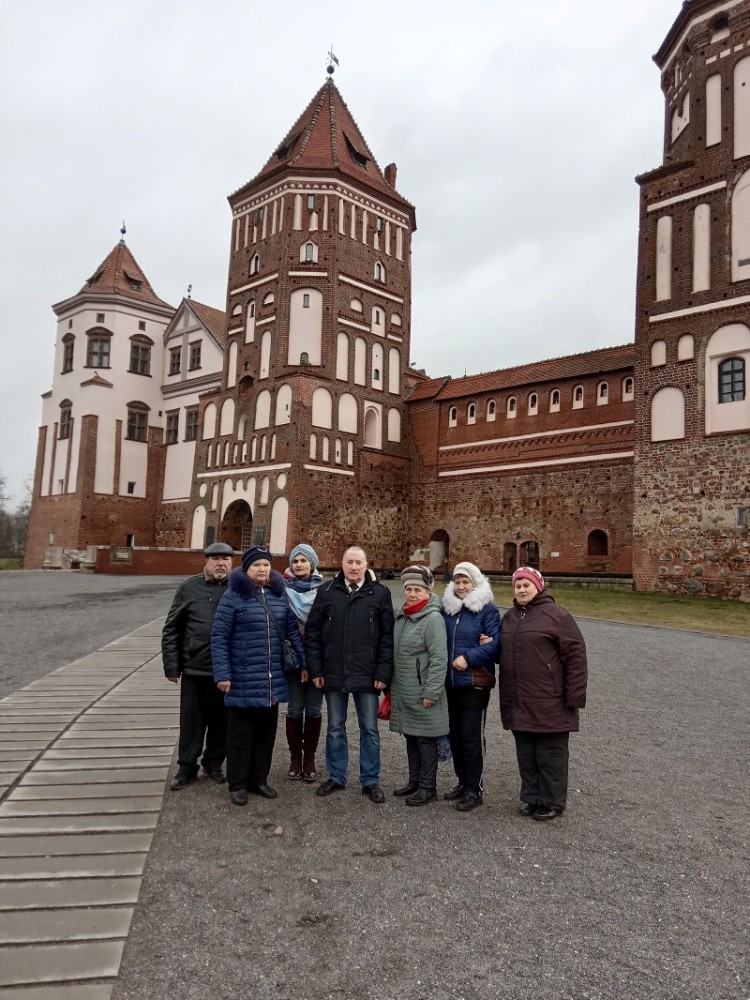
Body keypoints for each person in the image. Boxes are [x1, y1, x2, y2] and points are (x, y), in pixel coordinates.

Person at [210, 546, 306, 806]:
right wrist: (222, 673)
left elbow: (291, 633)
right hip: (242, 678)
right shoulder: (233, 597)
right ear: (246, 569)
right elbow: (219, 637)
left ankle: (258, 779)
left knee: (265, 734)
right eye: (256, 565)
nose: (262, 569)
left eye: (266, 565)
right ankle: (238, 783)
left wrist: (304, 663)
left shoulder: (278, 595)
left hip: (271, 679)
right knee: (240, 734)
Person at [306, 545, 395, 804]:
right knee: (335, 727)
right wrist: (317, 669)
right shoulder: (326, 592)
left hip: (367, 673)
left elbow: (387, 637)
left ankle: (370, 780)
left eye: (358, 562)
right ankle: (336, 775)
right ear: (341, 564)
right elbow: (313, 633)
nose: (354, 567)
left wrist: (383, 672)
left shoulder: (379, 594)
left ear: (366, 565)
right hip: (333, 671)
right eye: (349, 562)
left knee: (369, 728)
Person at [498, 566, 588, 821]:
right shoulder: (510, 618)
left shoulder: (557, 616)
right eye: (517, 585)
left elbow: (576, 656)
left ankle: (551, 800)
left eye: (526, 584)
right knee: (526, 752)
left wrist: (574, 696)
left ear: (539, 586)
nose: (522, 589)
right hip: (519, 697)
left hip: (550, 699)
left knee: (551, 753)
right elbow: (504, 653)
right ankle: (530, 796)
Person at [162, 541, 233, 791]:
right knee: (192, 721)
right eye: (216, 559)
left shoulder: (236, 589)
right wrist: (172, 665)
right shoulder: (189, 588)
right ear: (207, 561)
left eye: (226, 559)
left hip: (225, 670)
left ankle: (213, 763)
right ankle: (186, 767)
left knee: (221, 721)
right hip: (195, 667)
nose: (221, 563)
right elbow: (172, 627)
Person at [441, 561, 501, 812]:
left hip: (475, 682)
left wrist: (469, 657)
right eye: (458, 580)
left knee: (471, 736)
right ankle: (462, 781)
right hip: (451, 682)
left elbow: (496, 643)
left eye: (466, 581)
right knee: (454, 735)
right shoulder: (448, 610)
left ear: (475, 583)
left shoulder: (487, 610)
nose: (462, 585)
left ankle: (475, 788)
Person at [390, 566, 449, 806]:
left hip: (423, 689)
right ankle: (414, 781)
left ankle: (428, 786)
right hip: (405, 689)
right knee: (411, 737)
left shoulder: (433, 618)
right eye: (409, 589)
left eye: (418, 590)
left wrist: (431, 692)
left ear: (427, 592)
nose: (412, 594)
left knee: (425, 740)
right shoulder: (403, 615)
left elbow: (439, 658)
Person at [283, 543, 325, 782]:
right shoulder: (282, 589)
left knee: (315, 709)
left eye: (303, 560)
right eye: (295, 561)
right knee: (295, 708)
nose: (299, 565)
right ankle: (295, 758)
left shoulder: (325, 590)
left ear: (312, 563)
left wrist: (312, 664)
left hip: (318, 660)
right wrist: (300, 663)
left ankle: (309, 757)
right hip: (292, 660)